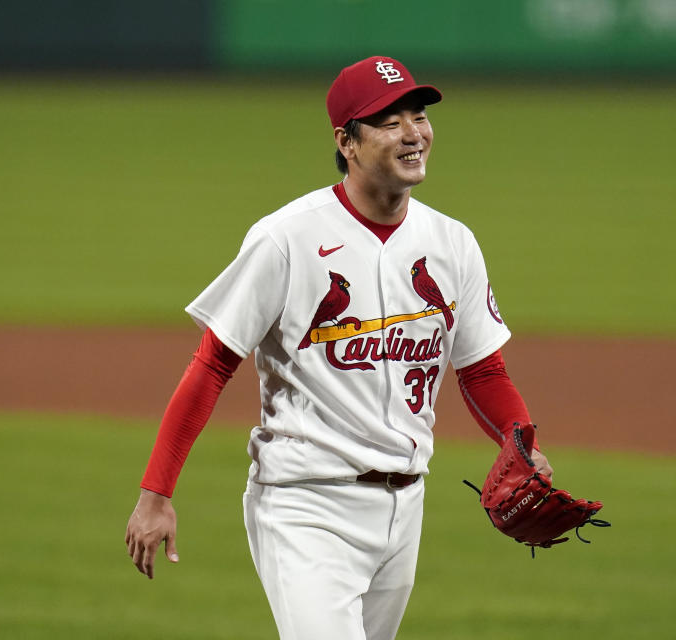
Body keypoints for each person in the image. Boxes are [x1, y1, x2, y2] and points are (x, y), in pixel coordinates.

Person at [125, 55, 554, 640]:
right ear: (346, 142)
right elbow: (210, 367)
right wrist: (156, 495)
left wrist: (521, 442)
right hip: (306, 505)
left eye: (418, 115)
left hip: (406, 507)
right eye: (389, 120)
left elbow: (482, 371)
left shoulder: (453, 242)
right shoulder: (286, 239)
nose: (413, 132)